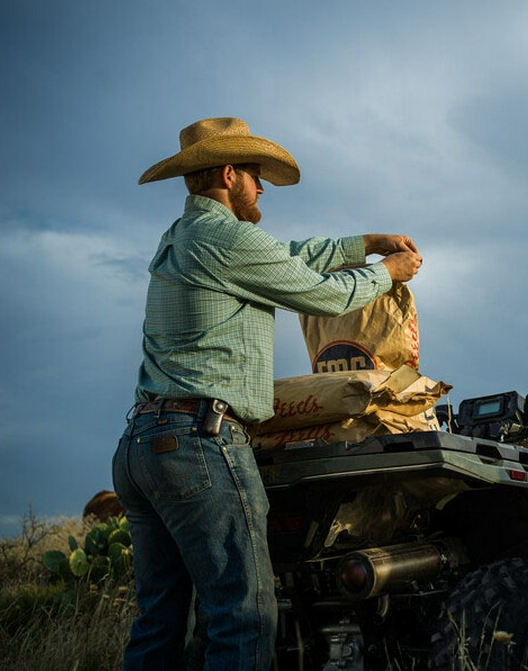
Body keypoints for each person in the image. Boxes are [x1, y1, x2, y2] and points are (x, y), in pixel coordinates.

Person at [112, 117, 422, 671]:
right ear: (229, 174)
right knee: (246, 617)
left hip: (142, 443)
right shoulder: (229, 238)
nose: (262, 189)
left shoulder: (180, 236)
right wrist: (386, 272)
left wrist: (366, 243)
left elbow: (288, 256)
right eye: (256, 176)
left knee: (160, 622)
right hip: (200, 441)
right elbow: (324, 296)